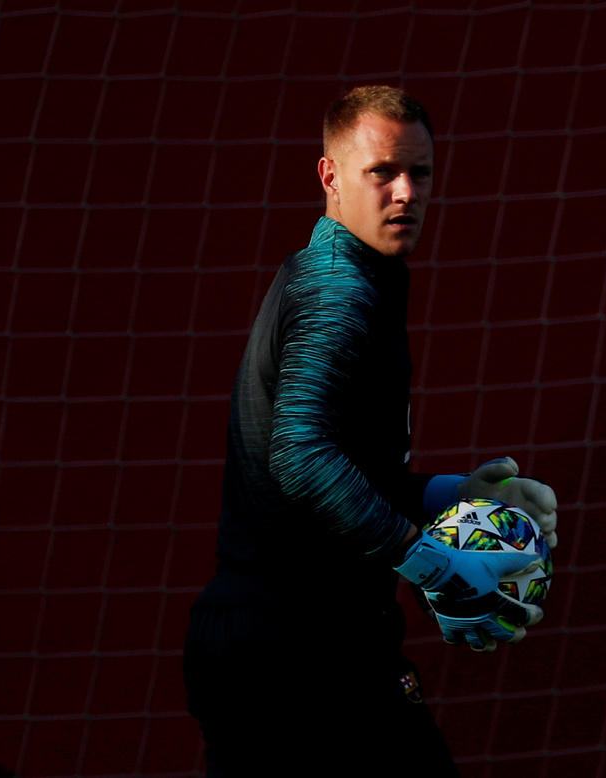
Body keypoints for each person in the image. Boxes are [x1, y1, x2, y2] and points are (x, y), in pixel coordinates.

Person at [182, 86, 559, 775]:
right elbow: (300, 457)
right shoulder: (338, 289)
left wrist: (453, 494)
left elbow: (343, 469)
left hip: (280, 641)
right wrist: (427, 559)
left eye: (421, 172)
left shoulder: (356, 278)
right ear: (330, 176)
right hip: (299, 647)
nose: (405, 192)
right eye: (382, 171)